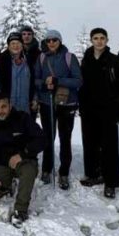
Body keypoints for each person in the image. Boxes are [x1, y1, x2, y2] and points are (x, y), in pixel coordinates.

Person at [0, 93, 44, 225]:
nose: (0, 110)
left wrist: (22, 154)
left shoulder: (23, 118)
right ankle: (8, 186)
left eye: (4, 106)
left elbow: (42, 139)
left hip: (25, 160)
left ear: (10, 106)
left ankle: (20, 210)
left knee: (28, 172)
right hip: (2, 163)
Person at [78, 28, 119, 198]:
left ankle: (111, 182)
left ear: (107, 40)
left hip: (109, 109)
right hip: (89, 109)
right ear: (91, 40)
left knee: (109, 146)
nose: (99, 41)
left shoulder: (114, 60)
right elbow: (81, 84)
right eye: (95, 38)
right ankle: (93, 174)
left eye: (102, 38)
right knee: (90, 143)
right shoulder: (86, 60)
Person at [32, 29, 82, 189]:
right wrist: (44, 84)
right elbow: (35, 79)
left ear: (60, 41)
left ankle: (64, 172)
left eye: (54, 40)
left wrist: (58, 81)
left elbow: (78, 81)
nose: (51, 43)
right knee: (48, 138)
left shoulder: (69, 57)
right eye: (48, 40)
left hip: (67, 104)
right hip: (48, 103)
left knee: (65, 138)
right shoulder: (41, 58)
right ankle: (47, 169)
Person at [0, 32, 36, 116]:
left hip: (25, 106)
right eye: (12, 43)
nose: (15, 46)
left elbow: (34, 81)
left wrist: (35, 98)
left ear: (22, 45)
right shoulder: (1, 60)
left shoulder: (28, 60)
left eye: (18, 43)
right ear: (8, 46)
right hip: (7, 106)